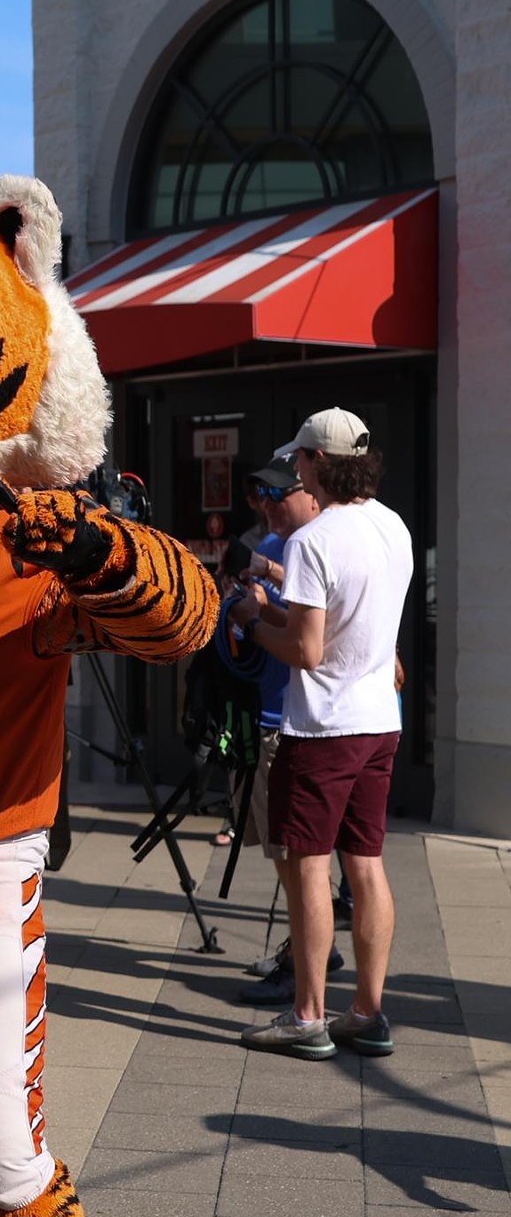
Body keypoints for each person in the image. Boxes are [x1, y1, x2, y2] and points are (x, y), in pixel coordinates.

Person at [232, 408, 413, 1060]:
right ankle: (367, 1013)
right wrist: (274, 609)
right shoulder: (392, 525)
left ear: (315, 462)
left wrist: (253, 621)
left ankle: (307, 1016)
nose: (295, 471)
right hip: (378, 724)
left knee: (309, 867)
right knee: (365, 865)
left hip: (322, 727)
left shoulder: (314, 539)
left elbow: (307, 651)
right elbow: (352, 626)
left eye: (299, 461)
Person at [216, 457, 344, 1004]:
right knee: (279, 848)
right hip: (266, 716)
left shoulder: (318, 544)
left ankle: (304, 966)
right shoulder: (273, 547)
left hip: (298, 722)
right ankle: (308, 947)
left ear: (312, 493)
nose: (267, 503)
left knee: (296, 854)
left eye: (279, 492)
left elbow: (321, 627)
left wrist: (257, 609)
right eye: (259, 494)